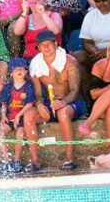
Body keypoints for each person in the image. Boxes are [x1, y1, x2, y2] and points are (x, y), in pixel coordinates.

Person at [24, 30, 86, 172]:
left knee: (62, 113)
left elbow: (75, 91)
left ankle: (70, 158)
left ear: (56, 43)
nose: (46, 48)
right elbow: (38, 93)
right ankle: (35, 161)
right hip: (50, 102)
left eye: (49, 44)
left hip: (71, 102)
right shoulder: (36, 63)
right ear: (38, 48)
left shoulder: (70, 61)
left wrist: (63, 102)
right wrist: (39, 105)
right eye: (42, 45)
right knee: (28, 116)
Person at [0, 58, 35, 173]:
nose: (19, 71)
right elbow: (4, 103)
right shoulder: (8, 86)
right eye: (16, 69)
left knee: (20, 134)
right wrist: (3, 115)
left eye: (22, 69)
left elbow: (30, 104)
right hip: (10, 117)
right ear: (11, 73)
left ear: (26, 71)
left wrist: (19, 116)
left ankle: (16, 161)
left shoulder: (28, 86)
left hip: (22, 118)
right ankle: (6, 161)